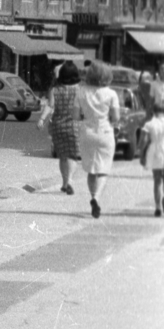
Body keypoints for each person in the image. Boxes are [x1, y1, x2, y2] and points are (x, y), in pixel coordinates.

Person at [76, 59, 119, 219]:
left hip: (87, 133)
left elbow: (75, 115)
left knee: (91, 170)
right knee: (103, 170)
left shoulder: (81, 91)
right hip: (105, 132)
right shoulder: (111, 94)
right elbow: (115, 118)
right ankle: (95, 198)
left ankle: (93, 195)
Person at [45, 60, 82, 195]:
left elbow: (50, 106)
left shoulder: (54, 90)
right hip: (74, 126)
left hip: (58, 126)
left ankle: (64, 183)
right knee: (72, 156)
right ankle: (70, 181)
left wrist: (43, 120)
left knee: (62, 156)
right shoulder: (79, 90)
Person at [137, 94, 164, 217]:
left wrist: (141, 154)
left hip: (155, 152)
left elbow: (143, 140)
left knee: (157, 181)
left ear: (153, 111)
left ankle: (158, 207)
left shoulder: (149, 124)